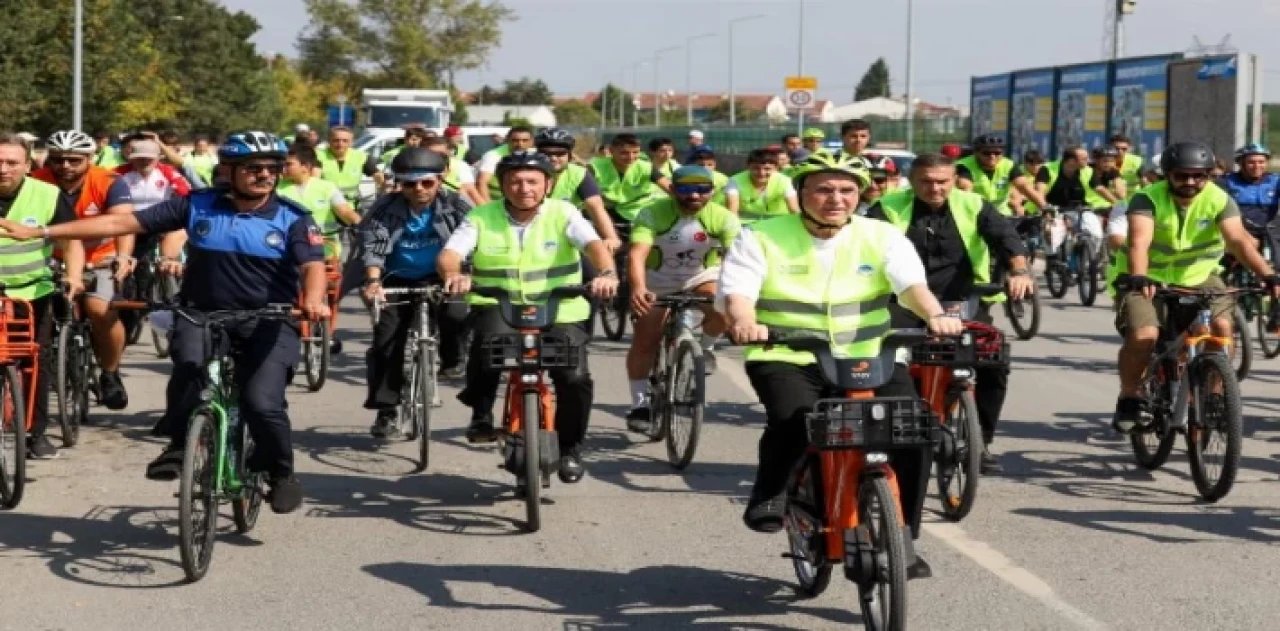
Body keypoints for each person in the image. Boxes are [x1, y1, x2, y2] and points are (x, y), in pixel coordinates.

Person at [0, 131, 330, 513]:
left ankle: (280, 472)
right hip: (201, 314)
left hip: (269, 320)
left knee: (262, 403)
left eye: (272, 169)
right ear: (230, 170)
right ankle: (178, 446)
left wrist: (315, 300)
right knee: (189, 369)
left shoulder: (293, 218)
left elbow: (312, 265)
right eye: (253, 169)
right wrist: (41, 231)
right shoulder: (198, 205)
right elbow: (116, 225)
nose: (265, 176)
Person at [718, 152, 962, 579]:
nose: (836, 199)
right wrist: (744, 322)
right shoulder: (760, 236)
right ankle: (772, 490)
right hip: (788, 354)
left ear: (860, 194)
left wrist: (935, 316)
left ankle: (902, 533)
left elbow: (911, 286)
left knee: (911, 429)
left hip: (870, 354)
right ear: (802, 193)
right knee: (795, 419)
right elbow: (738, 291)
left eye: (847, 190)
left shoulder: (882, 235)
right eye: (824, 189)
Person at [437, 151, 620, 482]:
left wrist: (606, 273)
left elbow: (594, 244)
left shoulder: (564, 213)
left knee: (573, 377)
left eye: (532, 181)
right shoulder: (481, 216)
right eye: (515, 181)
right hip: (498, 303)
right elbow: (451, 254)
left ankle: (570, 449)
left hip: (562, 307)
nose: (524, 188)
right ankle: (481, 414)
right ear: (502, 185)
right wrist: (455, 275)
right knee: (487, 347)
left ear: (547, 184)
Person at [866, 153, 1034, 473]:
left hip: (961, 300)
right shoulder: (888, 207)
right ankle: (893, 434)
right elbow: (866, 245)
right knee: (890, 359)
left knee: (992, 360)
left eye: (942, 181)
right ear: (911, 181)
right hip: (903, 300)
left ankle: (979, 440)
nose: (935, 188)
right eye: (926, 182)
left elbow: (1006, 237)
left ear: (954, 180)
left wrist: (1019, 270)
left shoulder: (973, 204)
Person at [1110, 142, 1280, 433]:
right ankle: (1129, 397)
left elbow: (1238, 240)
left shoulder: (1218, 198)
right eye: (1182, 176)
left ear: (1208, 175)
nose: (1190, 182)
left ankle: (1214, 396)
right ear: (1168, 175)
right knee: (1145, 335)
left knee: (1222, 328)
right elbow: (1139, 242)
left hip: (1200, 276)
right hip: (1148, 276)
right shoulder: (1147, 198)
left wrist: (1268, 275)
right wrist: (1139, 276)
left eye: (1198, 176)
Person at [360, 148, 472, 437]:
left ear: (441, 178)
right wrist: (374, 282)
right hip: (394, 278)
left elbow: (472, 242)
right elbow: (374, 247)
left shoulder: (457, 206)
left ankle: (452, 359)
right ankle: (387, 411)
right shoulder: (385, 208)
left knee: (457, 311)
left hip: (441, 276)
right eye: (409, 184)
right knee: (386, 342)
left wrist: (464, 274)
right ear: (399, 183)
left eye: (426, 183)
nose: (418, 190)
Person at [624, 166, 740, 428]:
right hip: (657, 280)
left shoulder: (722, 217)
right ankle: (640, 404)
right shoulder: (653, 212)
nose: (695, 195)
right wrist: (639, 288)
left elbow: (736, 256)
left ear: (712, 191)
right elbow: (637, 254)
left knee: (723, 308)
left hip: (701, 276)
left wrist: (737, 293)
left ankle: (706, 348)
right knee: (645, 340)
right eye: (686, 189)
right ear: (673, 189)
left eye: (702, 189)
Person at [32, 130, 135, 410]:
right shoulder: (35, 181)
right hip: (49, 257)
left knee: (100, 310)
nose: (65, 166)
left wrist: (124, 255)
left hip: (99, 258)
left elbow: (124, 223)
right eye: (58, 160)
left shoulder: (108, 181)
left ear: (89, 158)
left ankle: (110, 372)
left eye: (74, 160)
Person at [0, 133, 85, 459]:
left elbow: (72, 240)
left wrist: (74, 276)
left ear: (27, 165)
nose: (4, 169)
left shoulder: (48, 195)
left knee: (35, 360)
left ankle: (36, 434)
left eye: (12, 163)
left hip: (32, 291)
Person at [534, 128, 621, 252]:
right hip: (530, 231)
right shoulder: (524, 172)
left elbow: (596, 207)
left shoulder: (579, 174)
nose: (553, 158)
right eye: (546, 154)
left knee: (600, 264)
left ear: (570, 156)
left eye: (560, 153)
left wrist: (611, 237)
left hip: (566, 233)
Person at [955, 134, 1051, 216]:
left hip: (1001, 214)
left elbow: (1025, 187)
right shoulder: (964, 166)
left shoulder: (1008, 165)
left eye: (997, 153)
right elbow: (965, 190)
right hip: (974, 213)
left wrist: (1045, 208)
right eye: (986, 153)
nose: (992, 156)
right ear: (976, 153)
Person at [1220, 143, 1280, 270]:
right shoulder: (1226, 181)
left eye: (1261, 162)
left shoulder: (1275, 180)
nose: (1257, 166)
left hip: (1270, 226)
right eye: (1251, 162)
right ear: (1241, 163)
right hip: (1241, 226)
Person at [588, 133, 670, 223]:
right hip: (606, 212)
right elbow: (588, 197)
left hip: (639, 211)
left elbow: (669, 187)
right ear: (611, 151)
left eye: (635, 152)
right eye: (624, 153)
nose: (631, 157)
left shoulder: (645, 166)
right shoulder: (595, 167)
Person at [722, 148, 798, 223]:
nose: (761, 173)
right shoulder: (735, 180)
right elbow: (732, 211)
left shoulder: (784, 181)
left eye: (767, 169)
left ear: (776, 168)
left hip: (778, 224)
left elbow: (794, 209)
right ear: (748, 167)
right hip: (746, 226)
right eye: (756, 168)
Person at [318, 126, 383, 206]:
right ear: (329, 141)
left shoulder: (360, 157)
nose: (340, 144)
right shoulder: (318, 156)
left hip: (350, 206)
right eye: (336, 140)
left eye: (345, 141)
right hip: (324, 205)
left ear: (351, 142)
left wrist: (383, 189)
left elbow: (378, 176)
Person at [475, 125, 535, 204]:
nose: (520, 144)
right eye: (515, 140)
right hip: (497, 201)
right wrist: (489, 208)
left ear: (531, 142)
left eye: (525, 140)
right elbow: (481, 183)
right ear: (507, 140)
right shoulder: (493, 155)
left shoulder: (536, 155)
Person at [420, 136, 482, 205]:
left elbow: (472, 192)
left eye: (442, 155)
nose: (437, 158)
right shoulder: (415, 171)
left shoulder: (459, 166)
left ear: (449, 153)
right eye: (431, 155)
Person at [1110, 134, 1144, 198]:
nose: (1120, 151)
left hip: (1133, 199)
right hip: (1110, 199)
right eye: (1116, 148)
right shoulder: (1103, 162)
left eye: (1124, 149)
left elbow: (1145, 182)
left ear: (1129, 148)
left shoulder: (1136, 161)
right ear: (1110, 147)